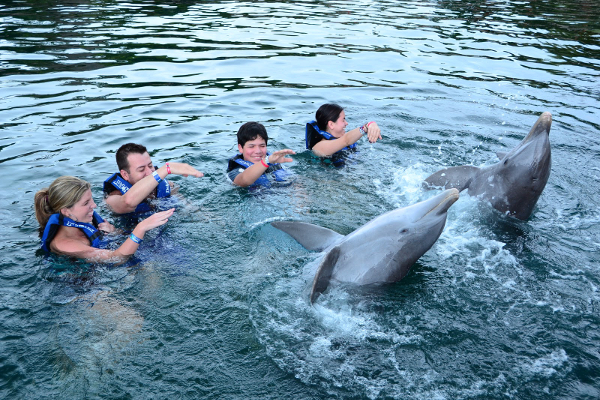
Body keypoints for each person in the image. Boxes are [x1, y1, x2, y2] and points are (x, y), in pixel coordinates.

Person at [35, 176, 173, 263]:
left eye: (91, 199)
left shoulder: (84, 220)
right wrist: (141, 228)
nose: (94, 206)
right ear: (66, 212)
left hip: (106, 271)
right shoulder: (65, 244)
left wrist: (114, 231)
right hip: (80, 288)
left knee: (153, 267)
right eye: (86, 203)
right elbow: (117, 258)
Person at [104, 143, 203, 214]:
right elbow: (128, 202)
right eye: (141, 169)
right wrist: (166, 169)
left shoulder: (167, 186)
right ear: (125, 175)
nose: (150, 172)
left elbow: (191, 208)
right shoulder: (113, 198)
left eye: (150, 166)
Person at [227, 122, 295, 188]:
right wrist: (267, 161)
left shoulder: (275, 164)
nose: (258, 151)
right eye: (251, 146)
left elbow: (294, 179)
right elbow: (243, 181)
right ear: (241, 148)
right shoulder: (235, 172)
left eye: (262, 146)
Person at [306, 103, 382, 158]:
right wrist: (366, 127)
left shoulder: (340, 140)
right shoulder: (319, 147)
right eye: (343, 120)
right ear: (331, 124)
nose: (346, 123)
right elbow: (346, 140)